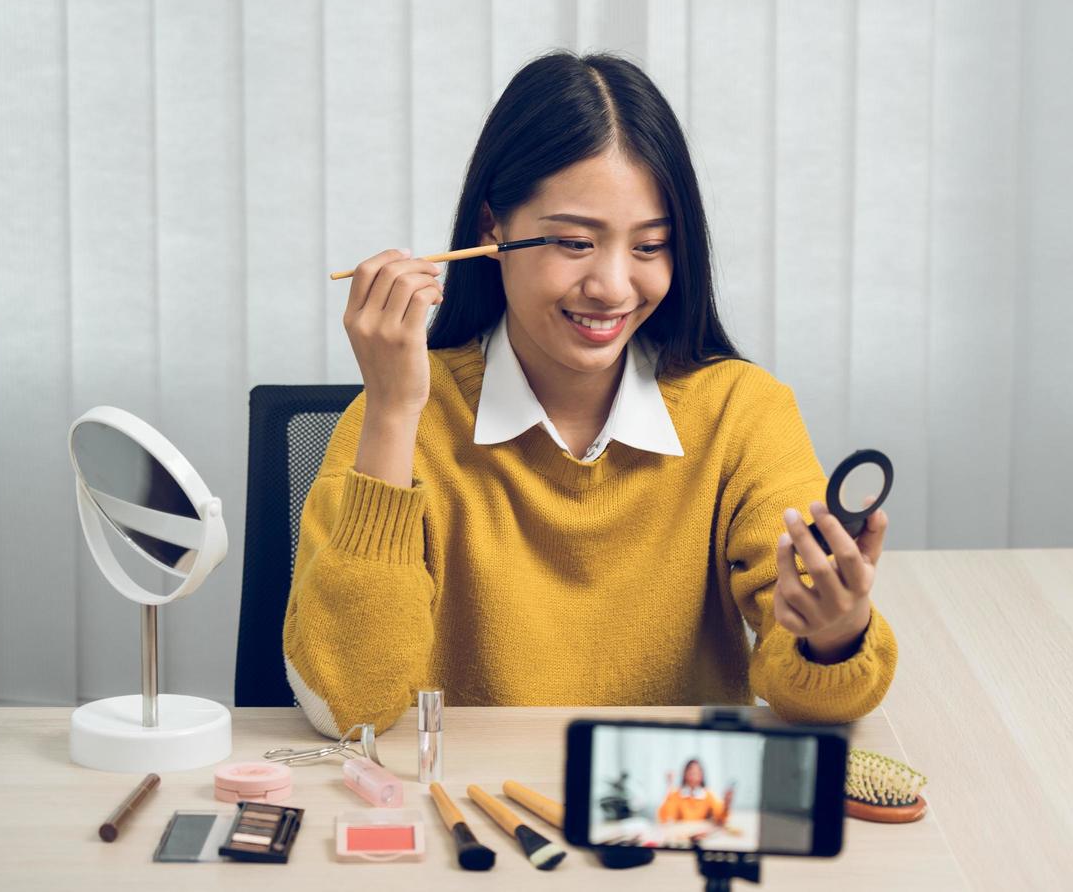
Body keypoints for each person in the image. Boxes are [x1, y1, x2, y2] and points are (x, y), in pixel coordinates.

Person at [283, 50, 897, 737]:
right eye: (575, 242)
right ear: (493, 230)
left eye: (649, 247)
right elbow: (348, 704)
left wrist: (833, 637)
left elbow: (815, 693)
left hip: (665, 817)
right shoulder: (397, 415)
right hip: (473, 818)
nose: (611, 286)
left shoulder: (742, 414)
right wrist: (394, 411)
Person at [657, 759, 732, 825]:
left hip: (702, 837)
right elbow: (665, 817)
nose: (694, 775)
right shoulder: (676, 794)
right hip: (682, 837)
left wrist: (727, 804)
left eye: (697, 772)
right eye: (691, 771)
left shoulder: (708, 795)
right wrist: (669, 785)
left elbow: (721, 817)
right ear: (684, 774)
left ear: (702, 775)